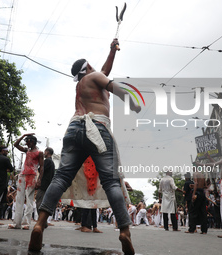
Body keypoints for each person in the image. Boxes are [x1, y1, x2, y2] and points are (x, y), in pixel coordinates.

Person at [28, 38, 140, 255]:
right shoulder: (95, 76)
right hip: (96, 126)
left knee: (61, 178)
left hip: (73, 129)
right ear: (88, 67)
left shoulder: (83, 84)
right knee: (111, 181)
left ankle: (39, 224)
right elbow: (113, 86)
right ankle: (125, 231)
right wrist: (133, 102)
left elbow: (104, 71)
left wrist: (111, 51)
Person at [9, 134, 44, 230]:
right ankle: (16, 223)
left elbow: (42, 167)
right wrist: (24, 135)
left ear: (32, 142)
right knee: (19, 199)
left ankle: (26, 223)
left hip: (32, 177)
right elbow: (15, 144)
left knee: (29, 200)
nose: (27, 144)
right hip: (22, 176)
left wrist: (39, 180)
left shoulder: (39, 153)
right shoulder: (27, 150)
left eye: (28, 142)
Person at [35, 147, 55, 225]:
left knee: (39, 202)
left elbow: (40, 169)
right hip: (48, 186)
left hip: (44, 186)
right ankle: (43, 221)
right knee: (43, 203)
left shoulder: (47, 161)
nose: (44, 153)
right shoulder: (51, 162)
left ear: (47, 152)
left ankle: (42, 220)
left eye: (45, 151)